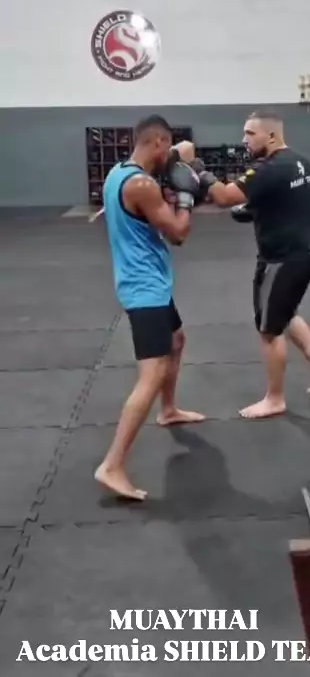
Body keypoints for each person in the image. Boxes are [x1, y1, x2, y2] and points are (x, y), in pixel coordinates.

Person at [197, 110, 310, 419]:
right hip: (306, 254)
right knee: (286, 313)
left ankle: (275, 399)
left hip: (280, 260)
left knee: (269, 330)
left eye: (250, 133)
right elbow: (286, 203)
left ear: (270, 136)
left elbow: (224, 197)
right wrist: (255, 210)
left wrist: (198, 169)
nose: (244, 140)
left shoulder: (268, 169)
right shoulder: (303, 163)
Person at [95, 114, 205, 500]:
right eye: (167, 146)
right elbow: (178, 234)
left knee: (177, 340)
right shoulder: (142, 185)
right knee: (152, 373)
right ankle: (112, 465)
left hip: (147, 281)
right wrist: (187, 197)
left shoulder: (117, 173)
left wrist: (179, 164)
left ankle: (168, 409)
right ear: (157, 142)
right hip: (145, 290)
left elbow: (176, 158)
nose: (168, 153)